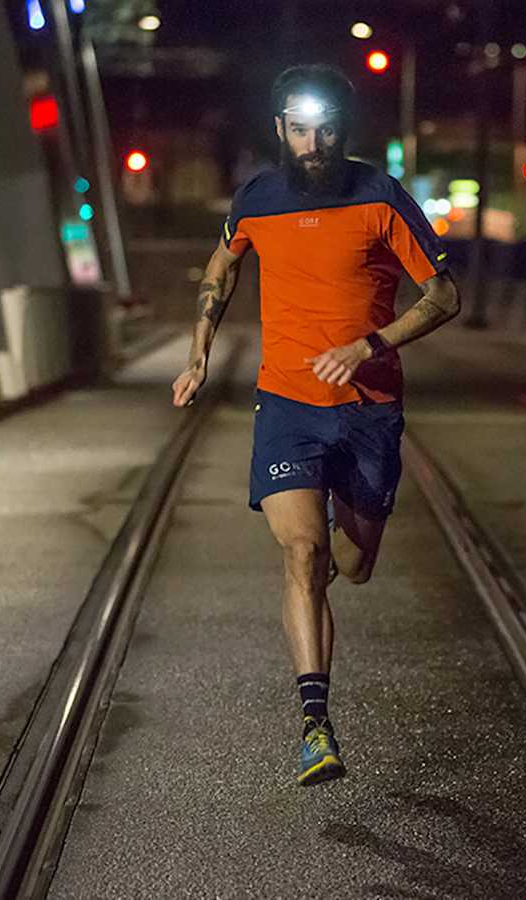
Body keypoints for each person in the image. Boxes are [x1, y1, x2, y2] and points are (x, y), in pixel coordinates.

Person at [171, 64, 460, 786]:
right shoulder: (257, 198)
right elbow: (223, 261)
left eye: (325, 128)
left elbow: (444, 295)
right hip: (287, 405)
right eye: (299, 129)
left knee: (352, 565)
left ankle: (333, 568)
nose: (312, 142)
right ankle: (314, 726)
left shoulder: (380, 196)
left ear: (343, 129)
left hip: (368, 411)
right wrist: (200, 350)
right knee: (302, 555)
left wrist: (372, 344)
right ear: (279, 130)